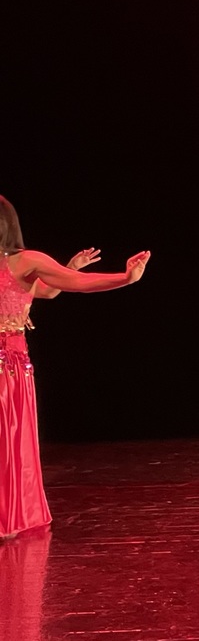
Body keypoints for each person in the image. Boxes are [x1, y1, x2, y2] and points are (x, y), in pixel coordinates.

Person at [0, 195, 150, 540]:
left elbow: (68, 287)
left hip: (6, 366)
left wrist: (124, 278)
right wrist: (69, 270)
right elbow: (49, 291)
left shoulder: (25, 261)